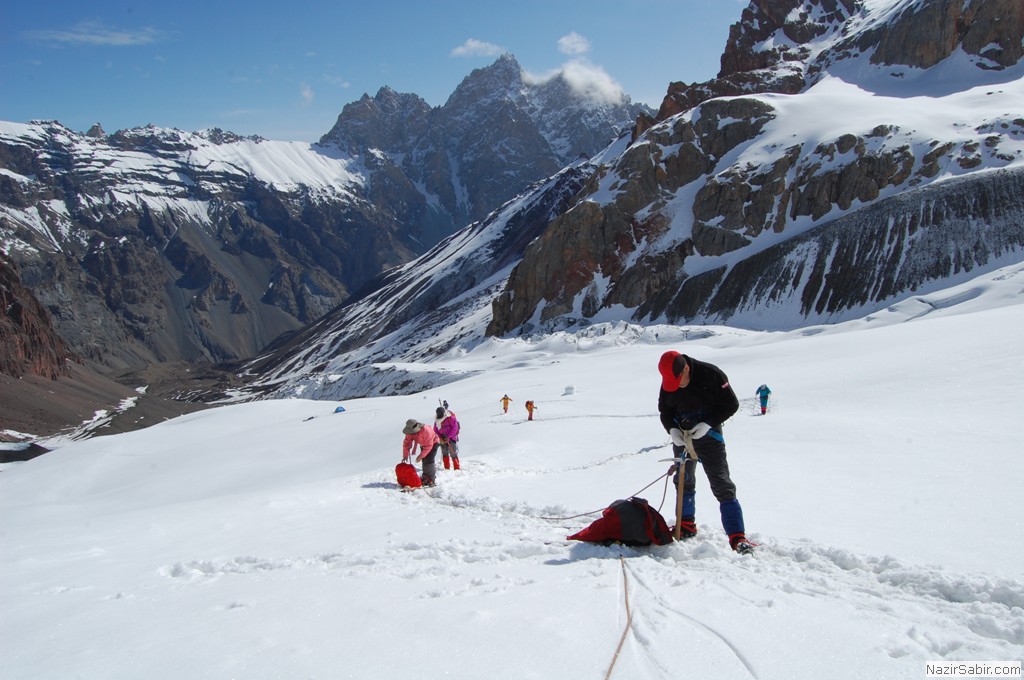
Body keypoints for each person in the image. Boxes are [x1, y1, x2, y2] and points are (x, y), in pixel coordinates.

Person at [657, 350, 754, 554]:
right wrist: (671, 429)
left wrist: (708, 424)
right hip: (682, 434)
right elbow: (664, 410)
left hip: (709, 435)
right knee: (684, 479)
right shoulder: (670, 380)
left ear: (686, 368)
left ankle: (737, 535)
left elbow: (731, 404)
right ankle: (686, 525)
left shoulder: (712, 374)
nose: (677, 386)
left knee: (721, 482)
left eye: (679, 381)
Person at [402, 419, 440, 487]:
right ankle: (425, 477)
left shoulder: (426, 430)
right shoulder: (410, 430)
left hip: (433, 443)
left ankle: (431, 479)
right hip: (423, 444)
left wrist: (420, 456)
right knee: (424, 460)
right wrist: (405, 455)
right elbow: (407, 443)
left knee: (429, 460)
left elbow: (429, 445)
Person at [434, 406, 461, 470]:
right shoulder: (437, 421)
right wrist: (440, 437)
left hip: (452, 438)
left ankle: (457, 468)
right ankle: (447, 468)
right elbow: (435, 430)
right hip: (443, 438)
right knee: (445, 453)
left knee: (453, 453)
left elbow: (455, 428)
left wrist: (448, 437)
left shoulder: (450, 418)